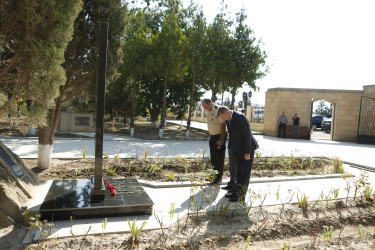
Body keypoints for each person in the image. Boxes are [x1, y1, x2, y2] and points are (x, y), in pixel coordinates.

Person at [217, 106, 259, 202]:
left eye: (223, 117)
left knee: (244, 174)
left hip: (246, 150)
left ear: (227, 112)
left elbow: (247, 135)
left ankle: (241, 196)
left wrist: (247, 152)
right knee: (239, 173)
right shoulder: (228, 120)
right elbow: (232, 135)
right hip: (238, 150)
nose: (223, 119)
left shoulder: (241, 118)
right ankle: (236, 193)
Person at [201, 99, 226, 184]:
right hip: (213, 136)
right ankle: (213, 175)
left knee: (219, 157)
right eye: (204, 107)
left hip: (219, 136)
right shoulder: (209, 110)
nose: (205, 108)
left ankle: (219, 177)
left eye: (206, 106)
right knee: (213, 157)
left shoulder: (218, 110)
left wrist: (221, 139)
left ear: (211, 103)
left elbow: (223, 125)